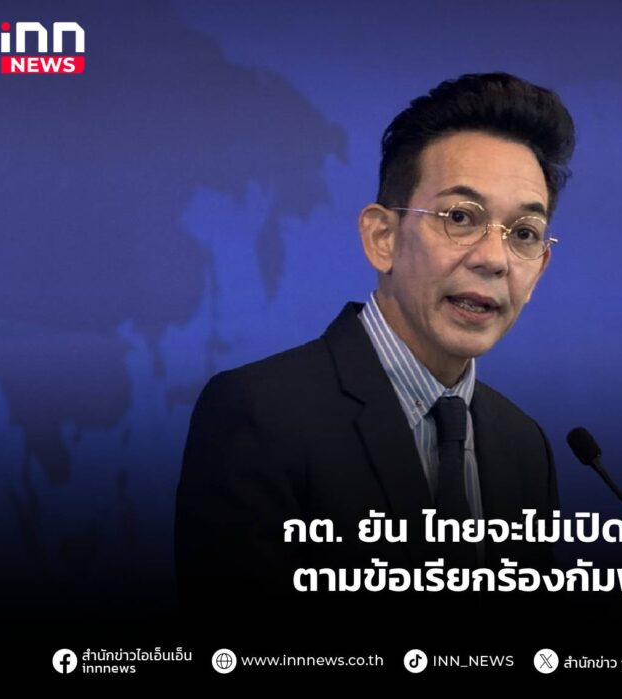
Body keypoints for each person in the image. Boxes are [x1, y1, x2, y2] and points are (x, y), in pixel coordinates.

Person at [174, 73, 576, 624]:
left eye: (524, 233)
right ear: (382, 238)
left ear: (540, 269)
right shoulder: (259, 414)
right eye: (460, 218)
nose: (494, 259)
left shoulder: (523, 446)